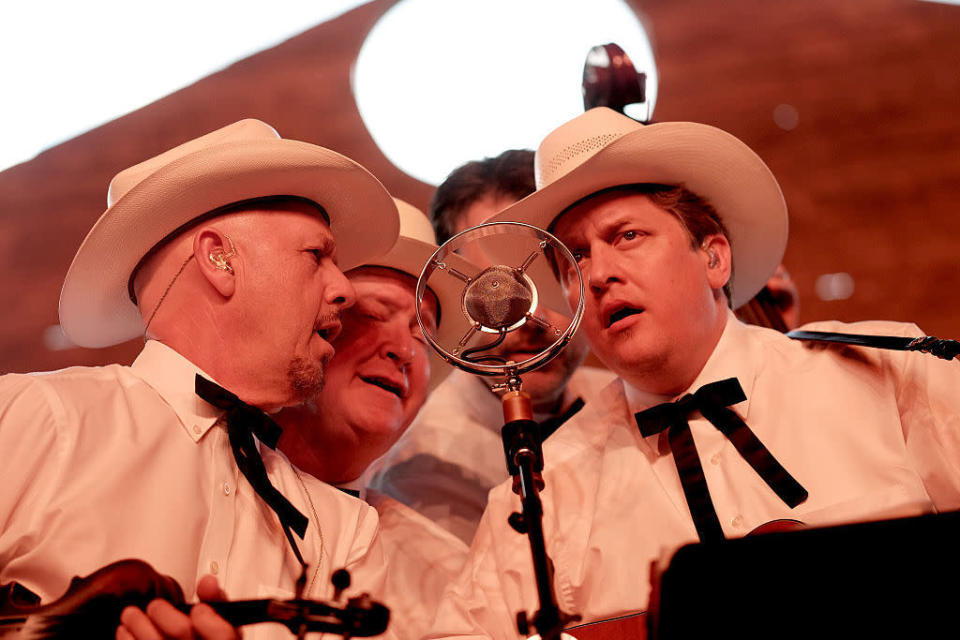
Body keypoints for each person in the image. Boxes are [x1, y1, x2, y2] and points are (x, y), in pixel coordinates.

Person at [425, 107, 960, 637]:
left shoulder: (890, 374)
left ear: (714, 259)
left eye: (627, 236)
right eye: (576, 261)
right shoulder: (542, 493)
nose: (601, 273)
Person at [0, 119, 401, 640]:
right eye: (317, 255)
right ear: (219, 258)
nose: (345, 289)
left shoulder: (346, 533)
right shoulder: (33, 418)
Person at [368, 151, 615, 545]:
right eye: (494, 289)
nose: (528, 319)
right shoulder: (421, 466)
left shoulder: (629, 399)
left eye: (546, 282)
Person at [274, 199, 472, 639]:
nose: (403, 349)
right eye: (372, 314)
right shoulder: (203, 480)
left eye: (424, 333)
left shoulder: (448, 571)